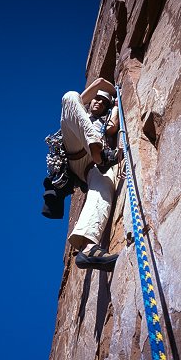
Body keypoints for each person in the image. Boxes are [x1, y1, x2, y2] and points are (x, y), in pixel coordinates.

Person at [61, 78, 120, 272]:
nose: (99, 102)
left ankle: (88, 248)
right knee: (70, 97)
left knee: (105, 185)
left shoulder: (105, 122)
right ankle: (98, 152)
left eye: (104, 102)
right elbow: (99, 82)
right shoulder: (82, 112)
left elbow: (112, 127)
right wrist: (111, 89)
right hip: (77, 150)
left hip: (92, 165)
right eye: (97, 99)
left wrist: (117, 104)